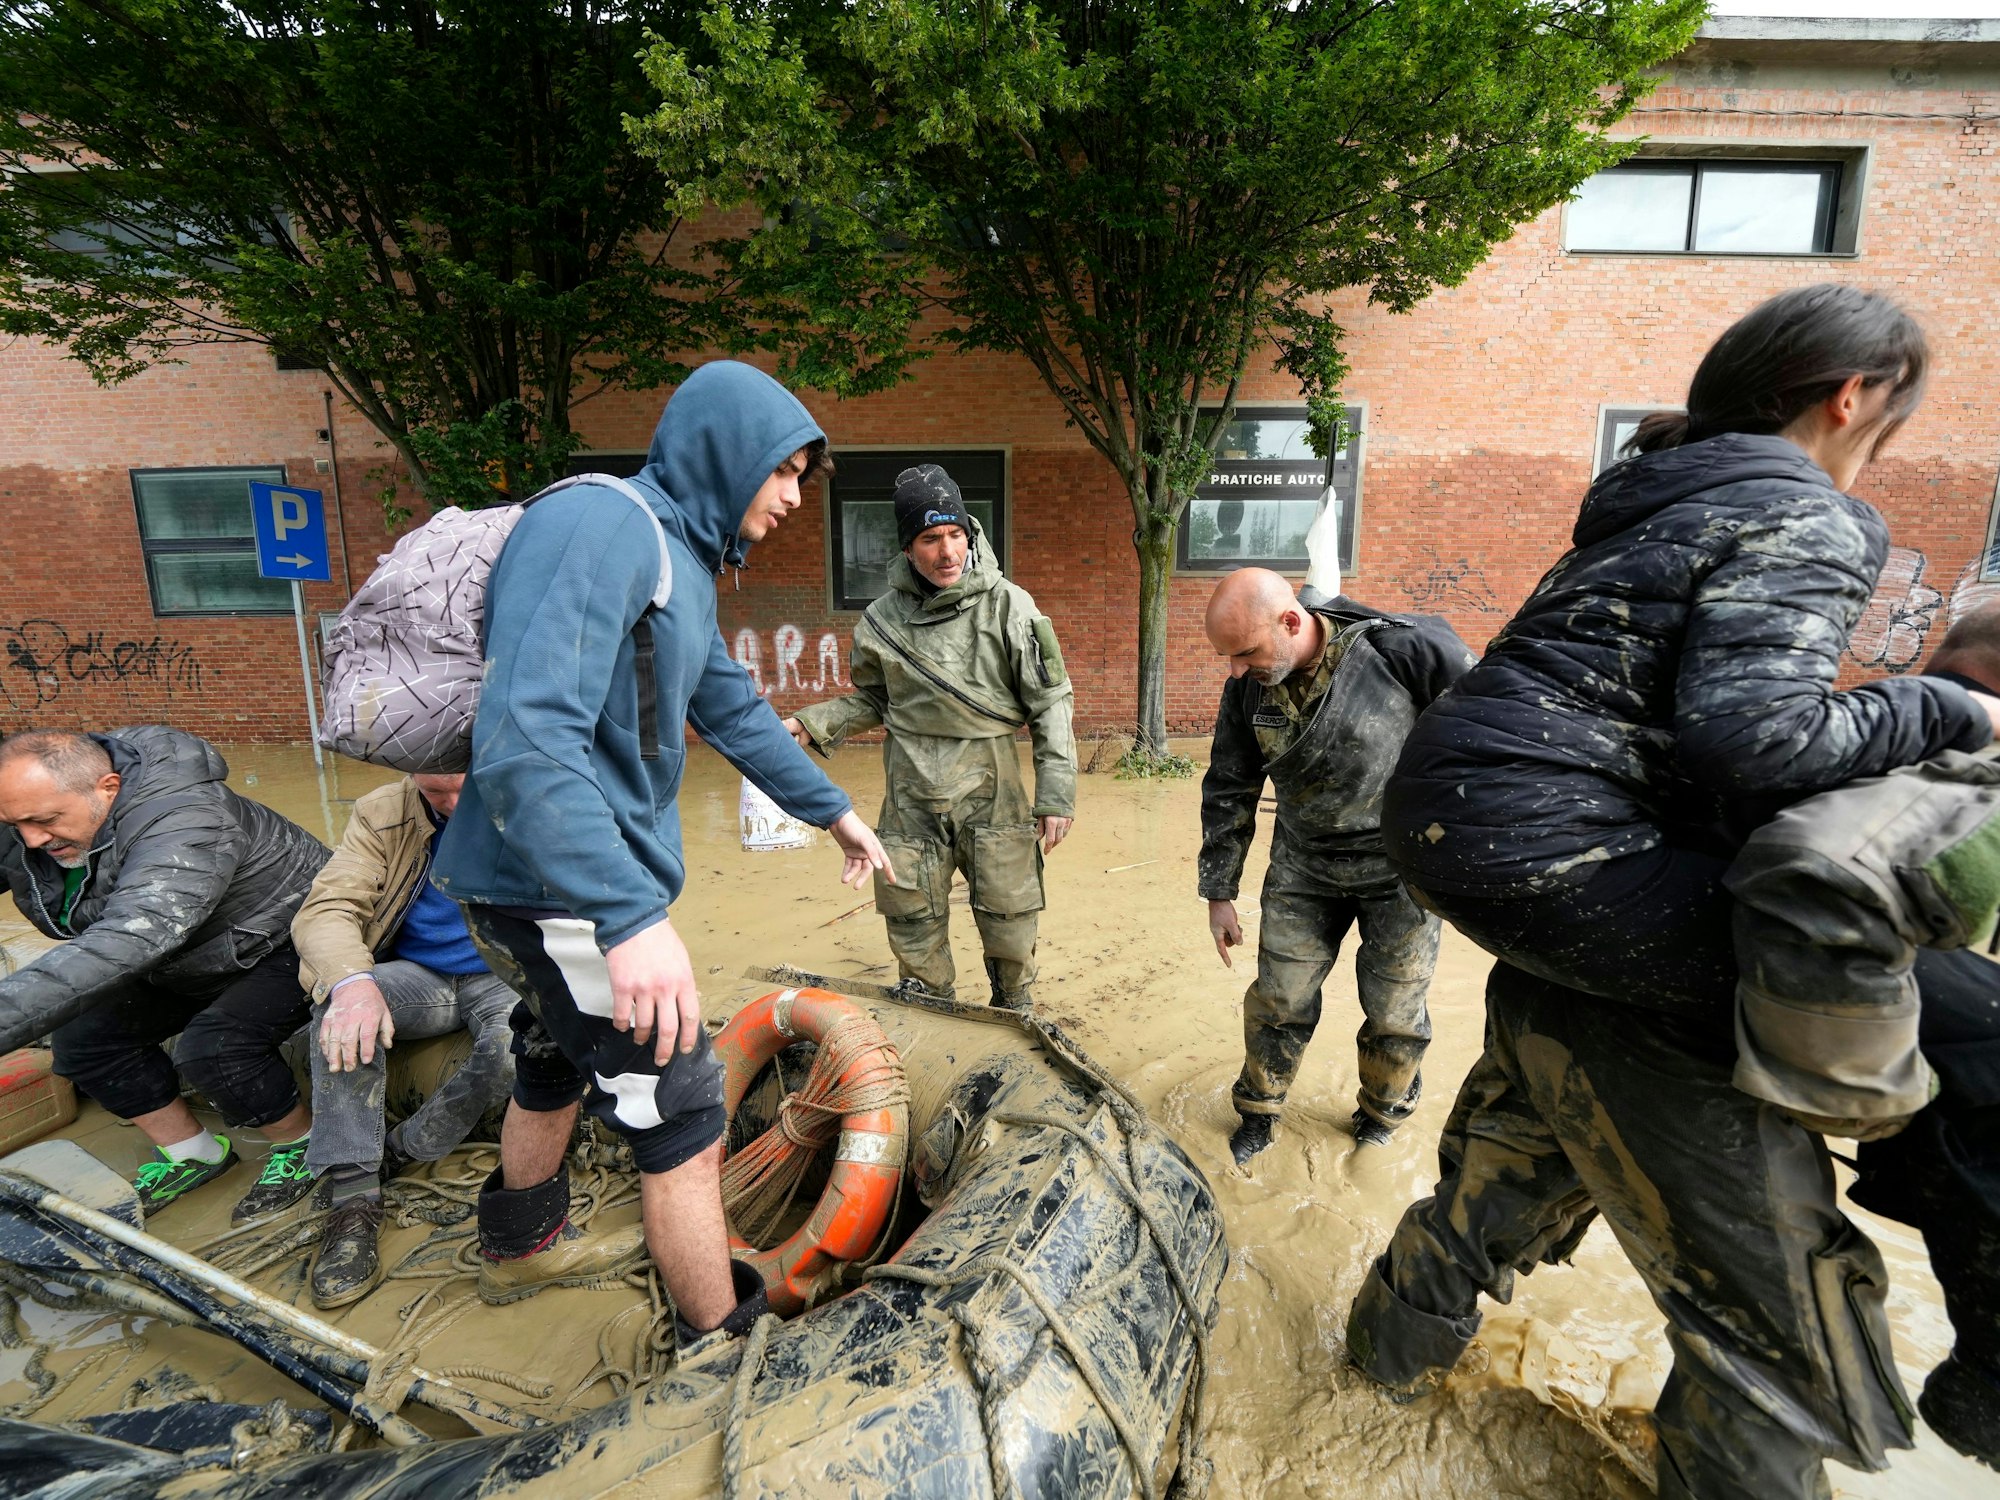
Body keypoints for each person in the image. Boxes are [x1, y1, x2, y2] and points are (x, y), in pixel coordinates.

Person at [1344, 286, 2000, 1500]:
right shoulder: (1810, 512)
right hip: (1565, 850)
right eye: (1889, 425)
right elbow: (1749, 736)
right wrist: (1949, 711)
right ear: (1850, 398)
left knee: (1489, 1194)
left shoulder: (1654, 498)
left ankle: (1362, 1381)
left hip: (1480, 841)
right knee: (1787, 1354)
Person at [432, 360, 893, 1350]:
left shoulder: (679, 561)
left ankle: (520, 1245)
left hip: (556, 885)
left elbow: (727, 706)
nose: (792, 499)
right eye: (786, 473)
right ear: (732, 454)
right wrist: (629, 916)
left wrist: (835, 813)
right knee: (680, 1108)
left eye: (805, 481)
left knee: (554, 1054)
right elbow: (522, 735)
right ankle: (721, 1344)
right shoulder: (601, 526)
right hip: (554, 883)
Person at [1725, 602, 2000, 1471]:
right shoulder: (1955, 780)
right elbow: (1817, 873)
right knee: (1789, 1354)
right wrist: (1876, 1107)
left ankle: (1382, 1355)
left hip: (1628, 992)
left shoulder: (1851, 727)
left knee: (1494, 1209)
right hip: (1740, 1047)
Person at [1198, 567, 1473, 1162]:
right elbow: (1228, 785)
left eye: (1243, 652)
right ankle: (1260, 1111)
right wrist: (1220, 891)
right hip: (1304, 867)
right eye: (1227, 657)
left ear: (1291, 621)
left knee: (1396, 1008)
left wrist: (1464, 854)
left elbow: (1483, 740)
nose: (1235, 670)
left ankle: (1381, 1115)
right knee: (1278, 997)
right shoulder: (1248, 690)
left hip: (1401, 871)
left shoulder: (1402, 654)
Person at [0, 726, 329, 1220]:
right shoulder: (36, 815)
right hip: (185, 952)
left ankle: (305, 1146)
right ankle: (194, 1154)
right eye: (14, 823)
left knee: (217, 1047)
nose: (30, 839)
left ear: (108, 788)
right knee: (82, 1039)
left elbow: (131, 938)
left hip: (283, 937)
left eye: (45, 821)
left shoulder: (186, 820)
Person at [783, 464, 1076, 1010]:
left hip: (994, 789)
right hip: (911, 792)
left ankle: (1014, 1012)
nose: (947, 552)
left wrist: (1056, 795)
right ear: (908, 547)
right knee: (911, 917)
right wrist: (813, 721)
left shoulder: (1010, 606)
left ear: (969, 534)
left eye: (956, 534)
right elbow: (875, 699)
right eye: (930, 538)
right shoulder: (879, 621)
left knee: (1010, 917)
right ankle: (932, 1015)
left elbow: (1050, 703)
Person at [290, 771, 519, 1308]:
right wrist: (352, 983)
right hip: (422, 975)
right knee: (339, 1009)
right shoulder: (382, 811)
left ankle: (407, 1148)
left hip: (505, 975)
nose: (454, 804)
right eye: (437, 792)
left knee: (513, 1045)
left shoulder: (536, 790)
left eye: (467, 787)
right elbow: (327, 909)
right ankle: (352, 1194)